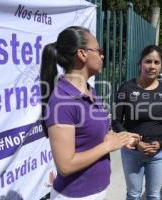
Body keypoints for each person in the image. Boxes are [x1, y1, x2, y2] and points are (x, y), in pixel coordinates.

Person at [40, 26, 140, 200]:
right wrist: (108, 146)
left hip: (97, 191)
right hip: (75, 195)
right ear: (82, 54)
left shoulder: (89, 91)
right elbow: (65, 165)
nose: (102, 56)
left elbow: (96, 135)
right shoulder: (62, 101)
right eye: (99, 50)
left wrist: (121, 138)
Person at [112, 45, 162, 200]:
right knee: (134, 195)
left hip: (158, 154)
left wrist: (161, 143)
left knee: (154, 195)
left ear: (161, 66)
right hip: (132, 153)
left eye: (156, 62)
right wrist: (135, 143)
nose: (152, 66)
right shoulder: (127, 88)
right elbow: (116, 121)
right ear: (140, 63)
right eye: (148, 61)